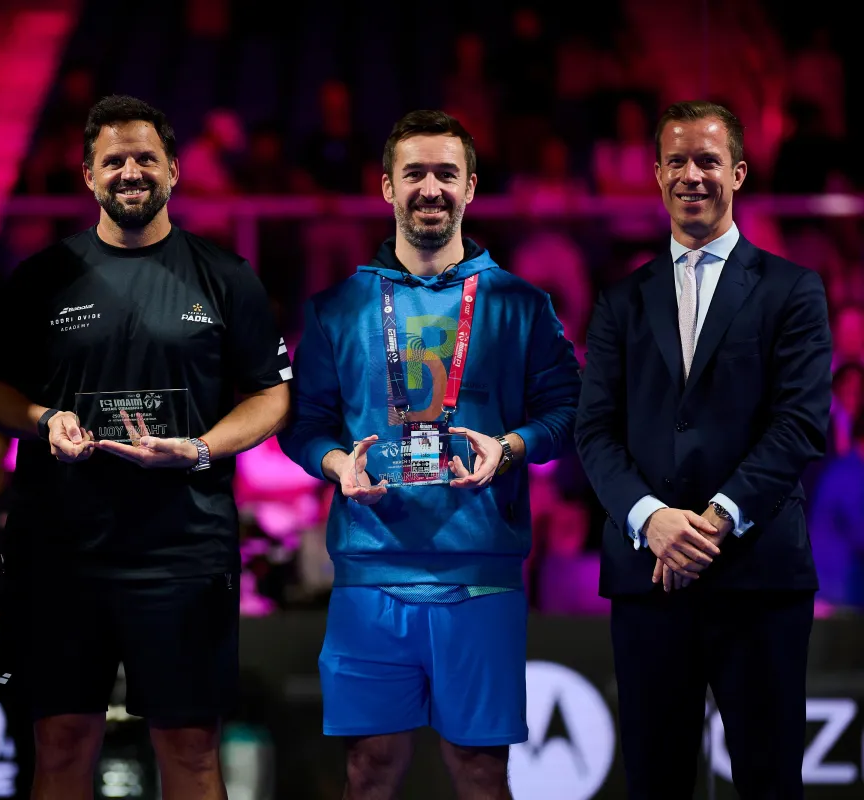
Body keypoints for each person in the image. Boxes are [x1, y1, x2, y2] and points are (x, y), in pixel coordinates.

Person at [0, 95, 292, 800]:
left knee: (191, 747)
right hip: (61, 548)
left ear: (173, 170)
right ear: (88, 175)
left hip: (183, 547)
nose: (130, 172)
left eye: (145, 158)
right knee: (61, 742)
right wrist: (44, 420)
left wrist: (201, 448)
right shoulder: (40, 278)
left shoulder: (226, 276)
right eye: (113, 160)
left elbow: (273, 395)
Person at [278, 109, 581, 800]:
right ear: (387, 186)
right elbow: (303, 424)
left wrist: (511, 447)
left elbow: (569, 413)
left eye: (447, 173)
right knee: (368, 770)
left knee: (481, 772)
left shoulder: (520, 305)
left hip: (481, 574)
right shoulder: (336, 309)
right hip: (370, 572)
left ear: (471, 187)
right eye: (414, 173)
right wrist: (336, 464)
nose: (431, 188)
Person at [575, 100, 833, 799]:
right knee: (655, 784)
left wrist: (714, 520)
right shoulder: (620, 301)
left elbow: (801, 424)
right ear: (657, 174)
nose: (692, 175)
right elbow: (593, 430)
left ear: (738, 173)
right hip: (648, 579)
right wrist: (650, 519)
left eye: (708, 161)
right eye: (678, 161)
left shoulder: (792, 290)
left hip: (759, 578)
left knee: (769, 783)